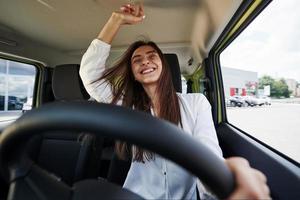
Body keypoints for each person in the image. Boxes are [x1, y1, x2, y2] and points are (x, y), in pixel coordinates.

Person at [80, 3, 270, 199]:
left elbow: (208, 154)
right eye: (137, 60)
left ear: (163, 66)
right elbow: (89, 74)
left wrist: (222, 185)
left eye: (152, 56)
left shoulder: (196, 103)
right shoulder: (127, 106)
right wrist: (116, 20)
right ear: (134, 74)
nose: (145, 61)